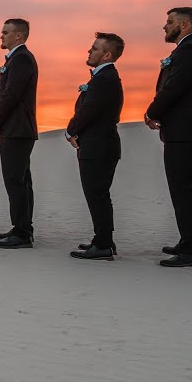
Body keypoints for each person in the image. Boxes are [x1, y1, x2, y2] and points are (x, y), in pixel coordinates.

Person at [144, 7, 192, 268]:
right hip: (179, 129)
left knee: (184, 188)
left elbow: (174, 88)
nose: (165, 26)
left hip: (185, 129)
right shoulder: (186, 49)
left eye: (169, 22)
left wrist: (152, 111)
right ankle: (187, 241)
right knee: (181, 188)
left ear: (184, 24)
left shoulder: (191, 50)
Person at [67, 33, 126, 261]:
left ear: (107, 54)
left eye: (94, 48)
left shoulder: (105, 78)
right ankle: (104, 240)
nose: (89, 51)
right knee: (98, 194)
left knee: (97, 194)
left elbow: (89, 110)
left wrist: (70, 130)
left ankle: (102, 244)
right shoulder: (104, 78)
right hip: (100, 145)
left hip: (99, 146)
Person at [0, 19, 39, 249]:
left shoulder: (22, 59)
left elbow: (11, 94)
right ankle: (22, 227)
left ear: (18, 36)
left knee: (15, 181)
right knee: (21, 180)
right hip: (15, 129)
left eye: (5, 32)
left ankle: (21, 233)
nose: (1, 36)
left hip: (17, 129)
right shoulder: (17, 59)